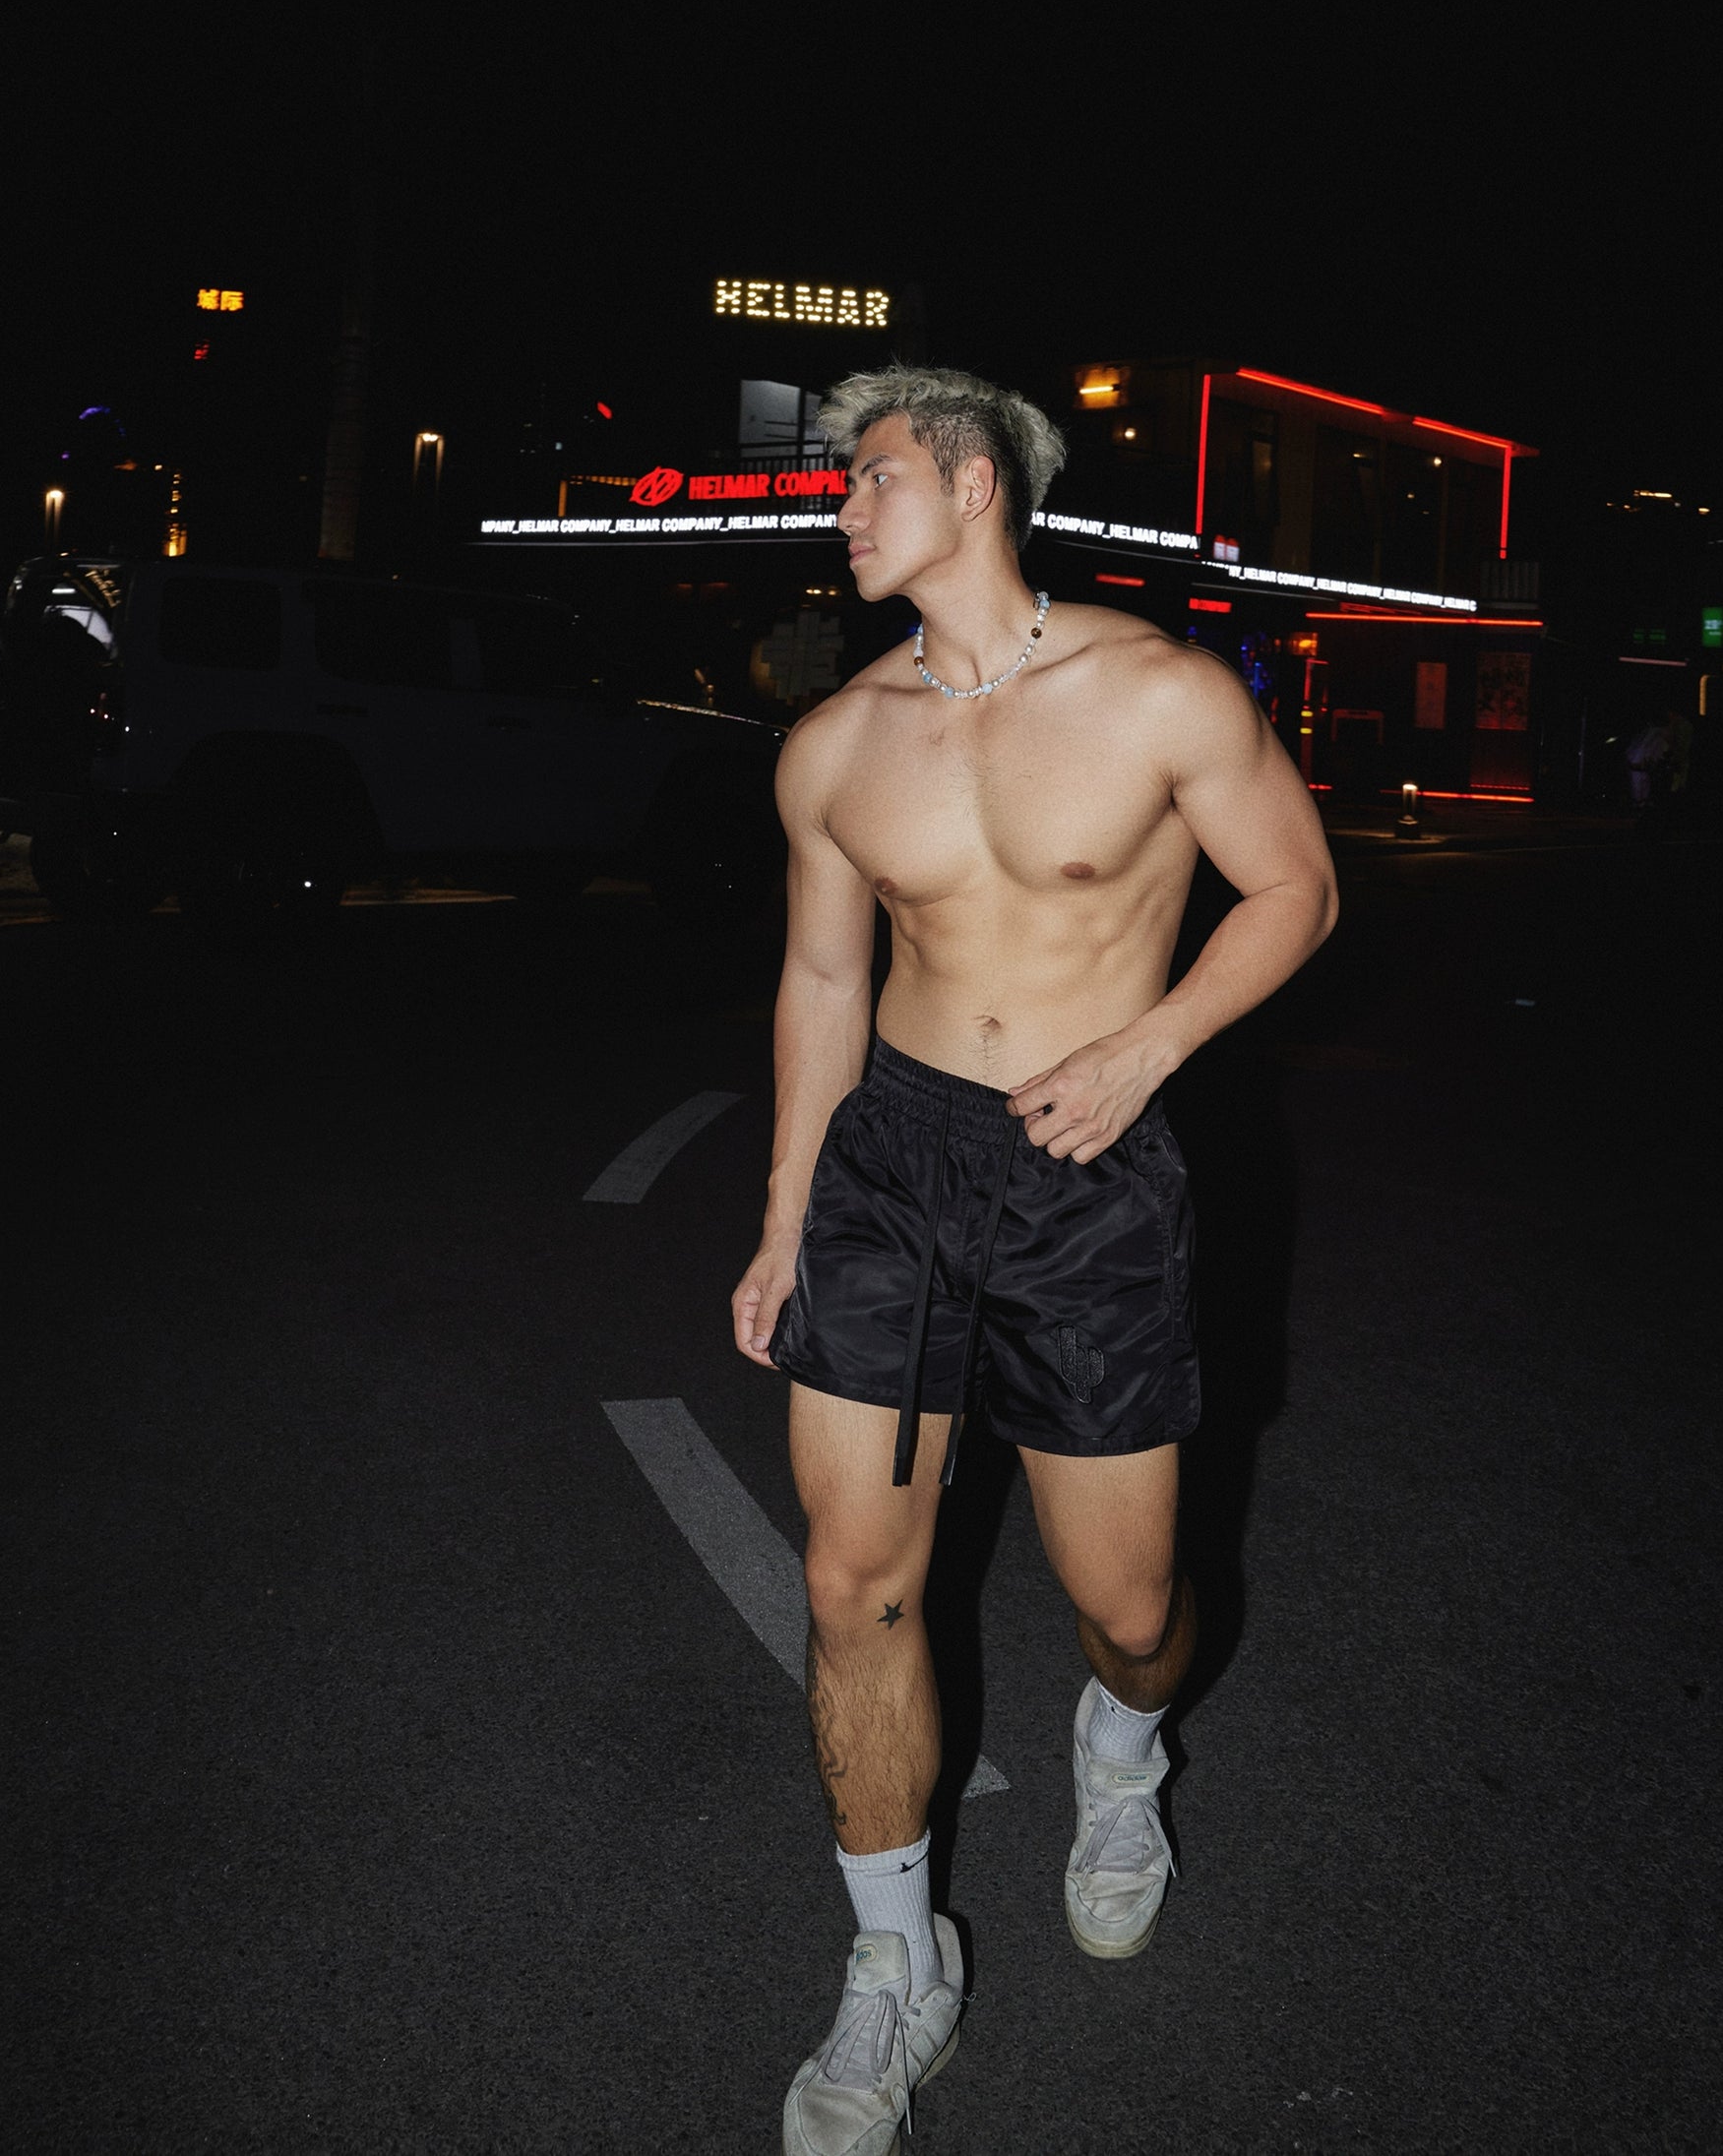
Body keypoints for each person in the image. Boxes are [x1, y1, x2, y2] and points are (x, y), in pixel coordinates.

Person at [731, 366, 1338, 2155]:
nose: (843, 508)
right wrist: (783, 1216)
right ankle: (893, 1959)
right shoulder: (834, 743)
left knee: (1134, 1614)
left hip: (1089, 1170)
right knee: (854, 1584)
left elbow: (1297, 889)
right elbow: (824, 980)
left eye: (872, 477)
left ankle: (1124, 1746)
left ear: (976, 481)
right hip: (893, 1173)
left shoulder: (1156, 692)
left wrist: (1150, 1050)